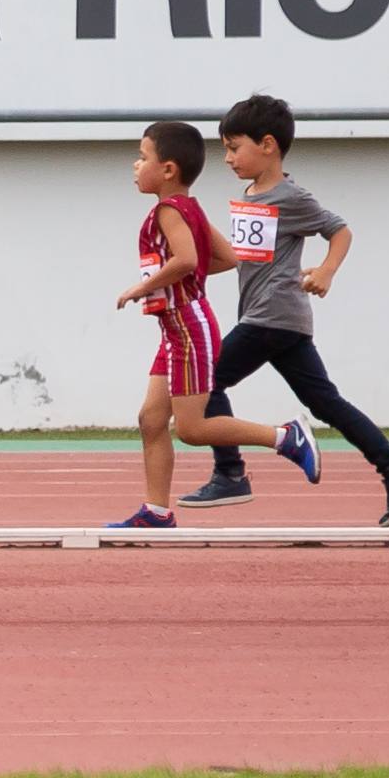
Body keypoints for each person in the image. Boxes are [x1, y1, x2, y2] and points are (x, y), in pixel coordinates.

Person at [181, 95, 389, 525]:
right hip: (276, 320)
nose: (227, 159)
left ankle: (230, 472)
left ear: (268, 145)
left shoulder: (291, 196)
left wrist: (327, 272)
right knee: (324, 401)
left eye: (234, 147)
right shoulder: (251, 194)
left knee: (204, 383)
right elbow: (248, 259)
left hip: (272, 316)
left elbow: (340, 230)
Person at [107, 121, 322, 529]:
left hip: (187, 325)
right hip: (176, 325)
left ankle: (285, 437)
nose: (136, 166)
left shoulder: (170, 211)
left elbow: (188, 260)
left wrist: (144, 286)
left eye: (142, 157)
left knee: (191, 428)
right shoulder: (189, 209)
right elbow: (224, 259)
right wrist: (180, 282)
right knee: (151, 420)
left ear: (168, 169)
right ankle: (156, 511)